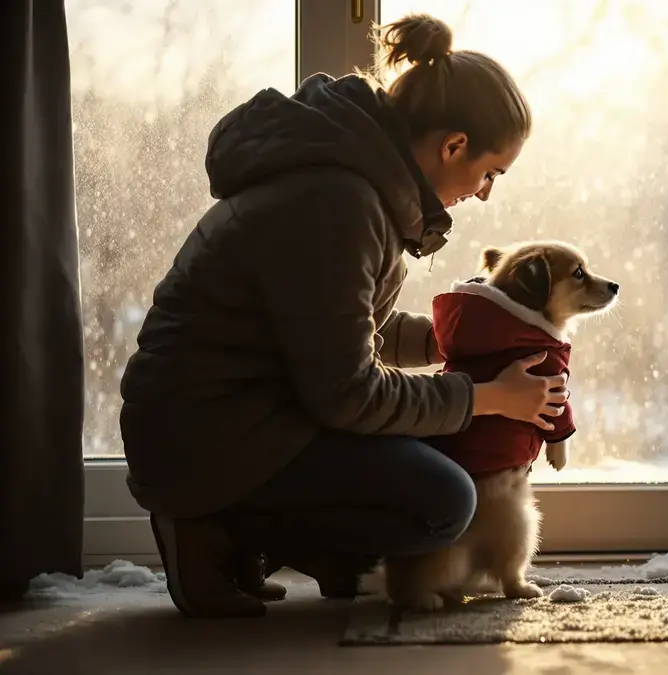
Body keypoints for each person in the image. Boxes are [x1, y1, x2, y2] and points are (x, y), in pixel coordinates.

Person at [118, 14, 568, 618]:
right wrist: (484, 398)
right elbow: (347, 393)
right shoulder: (339, 203)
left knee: (427, 470)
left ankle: (283, 542)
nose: (485, 192)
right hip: (208, 438)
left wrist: (463, 344)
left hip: (239, 418)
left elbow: (343, 331)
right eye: (489, 173)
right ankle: (218, 529)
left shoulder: (355, 184)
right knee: (442, 502)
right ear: (453, 145)